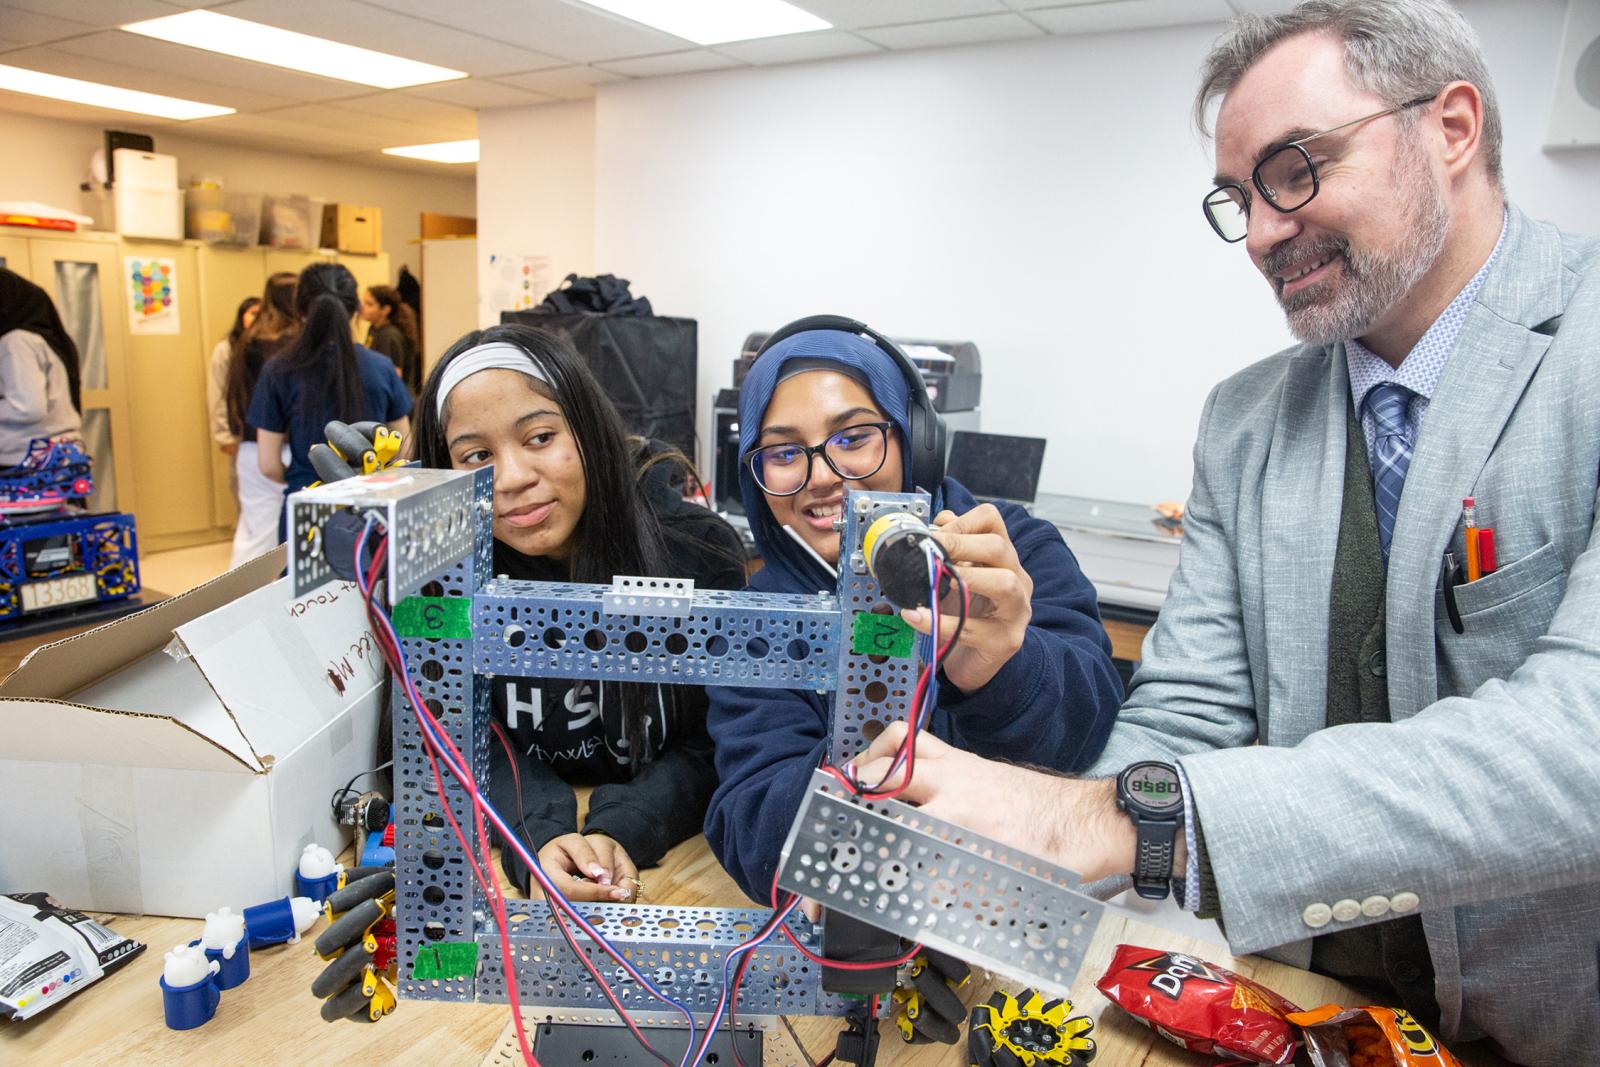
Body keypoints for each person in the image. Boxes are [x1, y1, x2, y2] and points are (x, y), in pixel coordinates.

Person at [850, 3, 1600, 1063]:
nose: (1259, 234)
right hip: (1307, 1011)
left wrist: (1109, 821)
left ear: (1451, 128)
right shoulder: (1247, 419)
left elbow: (1579, 740)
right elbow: (1189, 710)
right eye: (1238, 197)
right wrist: (1024, 873)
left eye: (1294, 170)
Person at [702, 318, 1124, 902]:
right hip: (869, 920)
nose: (821, 477)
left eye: (854, 438)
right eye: (784, 453)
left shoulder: (1012, 552)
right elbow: (752, 839)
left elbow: (1089, 730)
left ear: (914, 438)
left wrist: (999, 674)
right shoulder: (759, 620)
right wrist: (864, 743)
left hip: (1021, 904)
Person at [410, 322, 747, 900]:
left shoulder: (695, 549)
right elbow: (439, 728)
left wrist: (626, 825)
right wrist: (537, 831)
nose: (513, 478)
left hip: (674, 850)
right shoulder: (442, 570)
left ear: (588, 430)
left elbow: (721, 736)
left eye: (540, 437)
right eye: (477, 455)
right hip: (520, 837)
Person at [248, 262, 412, 535]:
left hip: (306, 511)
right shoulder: (382, 368)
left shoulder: (278, 371)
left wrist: (302, 475)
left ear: (299, 310)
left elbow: (268, 465)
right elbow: (404, 449)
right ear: (356, 309)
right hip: (373, 514)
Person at [226, 272, 297, 567]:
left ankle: (235, 593)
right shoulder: (292, 344)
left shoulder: (247, 339)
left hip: (248, 447)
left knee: (251, 534)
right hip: (283, 447)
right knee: (281, 543)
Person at [0, 268, 81, 465]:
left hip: (30, 460)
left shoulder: (16, 342)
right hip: (55, 455)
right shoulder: (39, 339)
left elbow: (28, 408)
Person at [206, 295, 260, 488]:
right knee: (243, 489)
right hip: (240, 434)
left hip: (269, 436)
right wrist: (225, 437)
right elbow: (218, 393)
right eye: (253, 313)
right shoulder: (226, 349)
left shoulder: (272, 348)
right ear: (242, 316)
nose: (257, 318)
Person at [360, 284, 421, 395]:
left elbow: (394, 374)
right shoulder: (373, 329)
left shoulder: (389, 336)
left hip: (394, 398)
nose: (362, 307)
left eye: (369, 304)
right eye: (363, 302)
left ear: (385, 310)